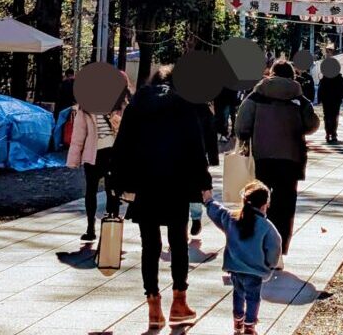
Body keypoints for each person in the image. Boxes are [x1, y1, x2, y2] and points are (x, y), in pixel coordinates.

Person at [110, 66, 212, 328]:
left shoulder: (137, 105)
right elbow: (195, 147)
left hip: (145, 183)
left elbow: (122, 144)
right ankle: (179, 301)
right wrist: (203, 182)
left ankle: (153, 307)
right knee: (178, 242)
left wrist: (117, 181)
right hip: (176, 183)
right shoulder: (184, 104)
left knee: (150, 246)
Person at [234, 59, 319, 260]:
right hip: (291, 158)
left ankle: (256, 244)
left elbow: (242, 126)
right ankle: (278, 251)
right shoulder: (299, 97)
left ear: (271, 73)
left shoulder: (256, 95)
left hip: (263, 156)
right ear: (292, 75)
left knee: (258, 200)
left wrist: (248, 136)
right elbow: (312, 124)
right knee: (285, 204)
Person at [203, 181, 281, 335]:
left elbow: (217, 212)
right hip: (255, 271)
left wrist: (208, 201)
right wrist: (269, 264)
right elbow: (274, 247)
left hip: (235, 268)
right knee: (253, 298)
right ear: (265, 205)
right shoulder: (266, 226)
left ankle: (238, 320)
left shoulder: (232, 218)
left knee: (238, 294)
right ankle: (250, 325)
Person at [66, 93, 125, 242]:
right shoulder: (85, 108)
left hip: (113, 153)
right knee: (91, 190)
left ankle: (111, 226)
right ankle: (90, 227)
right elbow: (78, 135)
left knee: (112, 191)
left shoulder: (118, 104)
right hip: (93, 154)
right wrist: (74, 159)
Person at [189, 100, 220, 236]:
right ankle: (195, 218)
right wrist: (213, 157)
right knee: (196, 187)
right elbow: (211, 133)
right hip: (198, 154)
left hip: (185, 153)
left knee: (192, 187)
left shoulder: (171, 101)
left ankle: (194, 219)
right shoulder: (202, 107)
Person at [317, 66, 343, 145]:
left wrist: (320, 99)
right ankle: (333, 134)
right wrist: (341, 97)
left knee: (327, 116)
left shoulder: (325, 78)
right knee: (334, 117)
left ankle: (328, 133)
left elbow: (321, 89)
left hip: (327, 100)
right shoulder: (339, 78)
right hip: (336, 100)